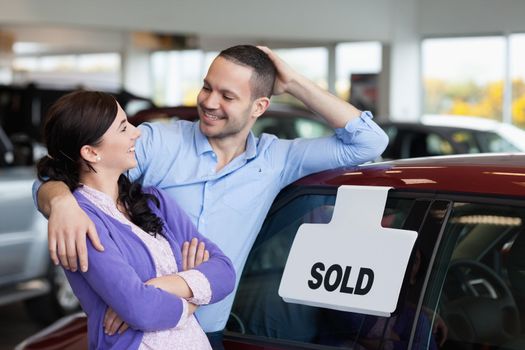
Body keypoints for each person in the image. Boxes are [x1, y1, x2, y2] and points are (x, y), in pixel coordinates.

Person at [34, 45, 389, 348]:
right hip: (139, 332)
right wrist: (61, 203)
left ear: (259, 106)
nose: (209, 102)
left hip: (211, 332)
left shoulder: (277, 160)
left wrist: (293, 82)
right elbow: (71, 168)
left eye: (227, 96)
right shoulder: (159, 142)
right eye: (207, 87)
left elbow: (369, 141)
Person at [36, 90, 235, 349]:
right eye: (122, 128)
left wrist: (159, 286)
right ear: (91, 153)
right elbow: (141, 310)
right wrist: (195, 297)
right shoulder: (80, 221)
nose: (136, 132)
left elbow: (225, 272)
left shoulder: (155, 200)